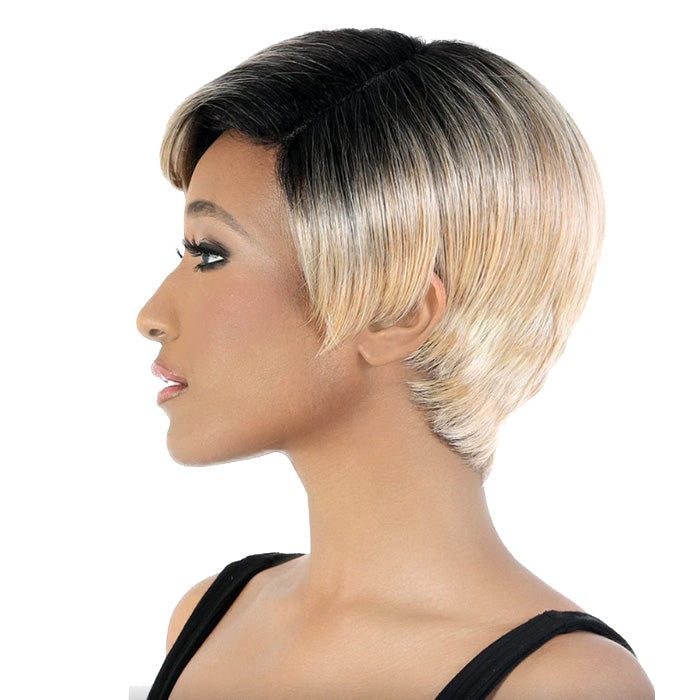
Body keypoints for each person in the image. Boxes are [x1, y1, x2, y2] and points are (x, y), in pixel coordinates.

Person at [136, 27, 654, 699]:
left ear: (397, 311)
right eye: (183, 252)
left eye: (210, 254)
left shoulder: (562, 685)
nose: (151, 314)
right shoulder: (207, 619)